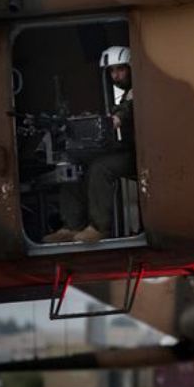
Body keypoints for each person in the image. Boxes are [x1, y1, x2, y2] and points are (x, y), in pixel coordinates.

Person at [43, 46, 136, 244]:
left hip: (140, 153)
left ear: (131, 67)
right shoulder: (127, 92)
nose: (116, 75)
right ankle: (71, 225)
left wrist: (117, 118)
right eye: (112, 71)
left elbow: (125, 110)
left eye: (120, 69)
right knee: (71, 161)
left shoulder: (138, 89)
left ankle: (99, 227)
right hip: (124, 148)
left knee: (100, 168)